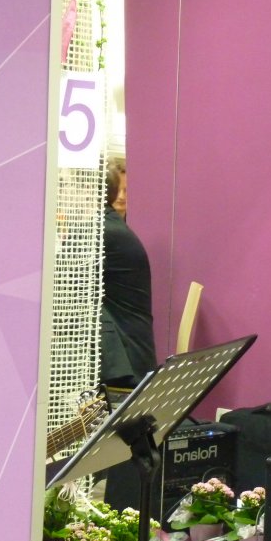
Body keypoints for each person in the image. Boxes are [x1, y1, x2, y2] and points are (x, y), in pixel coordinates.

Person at [99, 160, 157, 389]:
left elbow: (57, 294)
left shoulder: (101, 232)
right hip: (131, 359)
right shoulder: (111, 227)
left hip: (126, 369)